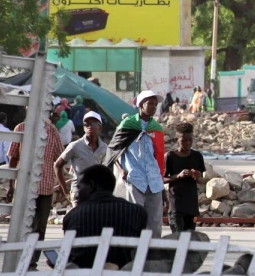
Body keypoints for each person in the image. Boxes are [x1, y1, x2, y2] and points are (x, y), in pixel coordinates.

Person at [62, 165, 148, 269]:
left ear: (91, 186)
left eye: (79, 187)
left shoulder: (72, 216)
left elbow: (70, 256)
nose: (76, 195)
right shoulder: (137, 212)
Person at [107, 90, 166, 238]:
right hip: (135, 179)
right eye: (150, 103)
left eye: (155, 104)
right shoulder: (128, 124)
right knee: (134, 223)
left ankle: (151, 257)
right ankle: (133, 257)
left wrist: (162, 180)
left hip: (154, 181)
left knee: (155, 226)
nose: (153, 107)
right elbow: (113, 150)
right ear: (140, 105)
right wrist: (121, 170)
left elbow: (158, 156)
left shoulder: (156, 128)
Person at [7, 114, 64, 268]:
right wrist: (11, 185)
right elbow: (13, 158)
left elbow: (61, 157)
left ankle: (31, 260)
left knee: (39, 227)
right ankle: (21, 257)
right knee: (25, 225)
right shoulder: (21, 128)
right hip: (26, 188)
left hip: (44, 189)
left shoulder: (52, 131)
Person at [54, 111, 107, 206]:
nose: (90, 127)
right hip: (79, 193)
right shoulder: (75, 146)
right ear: (83, 128)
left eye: (94, 124)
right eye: (87, 124)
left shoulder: (104, 148)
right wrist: (65, 191)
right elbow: (57, 166)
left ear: (100, 127)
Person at [164, 122, 205, 234]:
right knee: (178, 239)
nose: (187, 143)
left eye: (190, 140)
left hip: (192, 208)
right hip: (176, 207)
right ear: (177, 139)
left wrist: (197, 176)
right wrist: (178, 176)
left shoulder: (197, 156)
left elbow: (202, 181)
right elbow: (161, 179)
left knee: (189, 240)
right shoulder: (170, 156)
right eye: (184, 140)